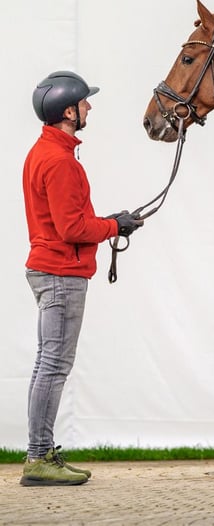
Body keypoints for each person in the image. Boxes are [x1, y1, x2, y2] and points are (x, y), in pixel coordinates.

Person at [20, 71, 144, 486]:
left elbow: (68, 221)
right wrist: (114, 228)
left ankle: (40, 452)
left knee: (47, 364)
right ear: (68, 111)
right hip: (60, 274)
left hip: (51, 268)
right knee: (54, 365)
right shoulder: (59, 162)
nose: (89, 107)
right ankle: (38, 457)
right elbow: (72, 229)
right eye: (85, 103)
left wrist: (109, 222)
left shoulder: (47, 152)